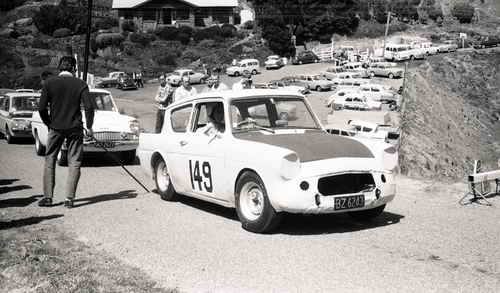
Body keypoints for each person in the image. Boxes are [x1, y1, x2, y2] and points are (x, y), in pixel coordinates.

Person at [37, 56, 96, 208]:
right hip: (75, 128)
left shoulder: (49, 83)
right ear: (74, 69)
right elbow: (89, 107)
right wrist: (89, 127)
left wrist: (49, 123)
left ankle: (48, 197)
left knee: (50, 159)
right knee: (74, 162)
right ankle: (69, 199)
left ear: (59, 67)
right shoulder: (81, 83)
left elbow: (41, 108)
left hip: (55, 127)